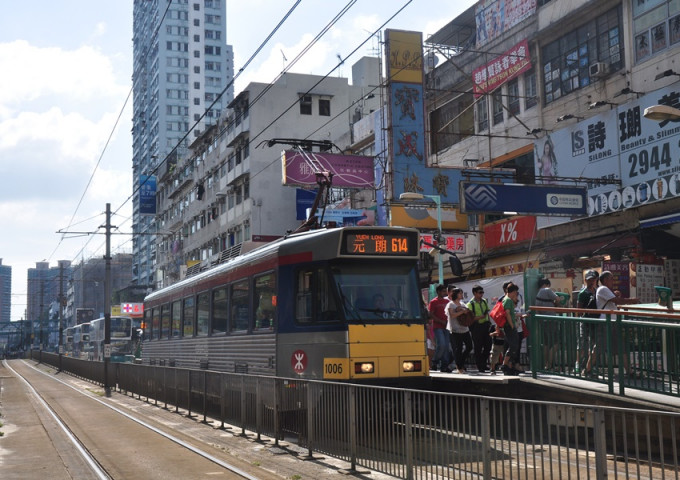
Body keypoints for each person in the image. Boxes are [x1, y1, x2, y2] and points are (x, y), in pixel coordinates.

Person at [596, 271, 639, 377]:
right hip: (606, 322)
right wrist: (631, 301)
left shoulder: (606, 290)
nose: (613, 281)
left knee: (621, 346)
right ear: (605, 280)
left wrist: (617, 295)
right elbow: (616, 300)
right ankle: (587, 369)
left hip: (612, 321)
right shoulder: (603, 289)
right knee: (599, 347)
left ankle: (629, 371)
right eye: (611, 279)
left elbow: (614, 300)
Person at [577, 270, 600, 376]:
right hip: (585, 321)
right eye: (589, 280)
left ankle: (589, 367)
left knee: (594, 344)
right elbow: (579, 310)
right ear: (585, 280)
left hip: (595, 322)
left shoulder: (597, 291)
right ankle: (578, 364)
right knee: (583, 344)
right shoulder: (582, 293)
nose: (592, 282)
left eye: (593, 280)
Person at [534, 278, 561, 369]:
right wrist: (556, 304)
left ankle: (547, 364)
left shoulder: (538, 294)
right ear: (546, 284)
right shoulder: (547, 290)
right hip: (551, 320)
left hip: (543, 321)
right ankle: (550, 364)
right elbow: (558, 299)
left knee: (546, 344)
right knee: (556, 343)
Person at [446, 287, 473, 374]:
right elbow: (452, 315)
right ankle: (459, 367)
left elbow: (467, 312)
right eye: (460, 293)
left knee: (469, 346)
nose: (461, 295)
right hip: (455, 329)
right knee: (458, 348)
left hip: (465, 328)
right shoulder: (451, 304)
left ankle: (461, 362)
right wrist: (462, 312)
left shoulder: (462, 304)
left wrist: (465, 311)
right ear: (455, 294)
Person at [467, 285, 492, 372]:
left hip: (485, 326)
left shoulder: (484, 301)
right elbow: (471, 318)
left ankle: (484, 363)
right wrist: (481, 317)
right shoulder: (470, 304)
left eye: (482, 292)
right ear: (474, 293)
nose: (481, 294)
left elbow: (487, 313)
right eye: (479, 292)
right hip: (477, 327)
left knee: (488, 346)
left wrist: (489, 322)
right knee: (478, 347)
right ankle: (480, 365)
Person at [428, 284, 452, 373]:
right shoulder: (433, 302)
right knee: (441, 345)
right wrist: (440, 321)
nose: (445, 293)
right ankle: (435, 361)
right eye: (443, 291)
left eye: (445, 291)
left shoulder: (447, 301)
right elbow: (431, 314)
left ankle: (444, 366)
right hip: (438, 327)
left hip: (447, 327)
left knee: (446, 346)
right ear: (438, 292)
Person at [501, 283, 523, 375]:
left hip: (509, 326)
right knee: (513, 346)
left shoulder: (506, 299)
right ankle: (505, 365)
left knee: (513, 346)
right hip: (509, 326)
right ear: (513, 292)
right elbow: (507, 313)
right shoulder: (508, 300)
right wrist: (512, 325)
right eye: (516, 292)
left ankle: (506, 365)